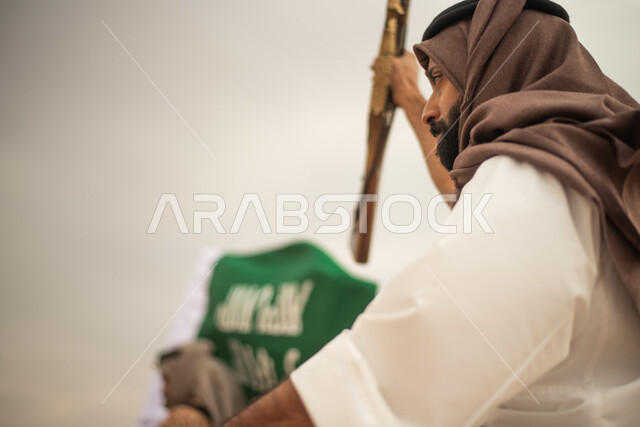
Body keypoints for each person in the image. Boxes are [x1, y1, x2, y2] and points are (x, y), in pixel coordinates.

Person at [224, 0, 640, 425]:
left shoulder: (534, 183)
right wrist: (409, 98)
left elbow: (365, 388)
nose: (429, 109)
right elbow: (473, 202)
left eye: (439, 80)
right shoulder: (593, 170)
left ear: (491, 66)